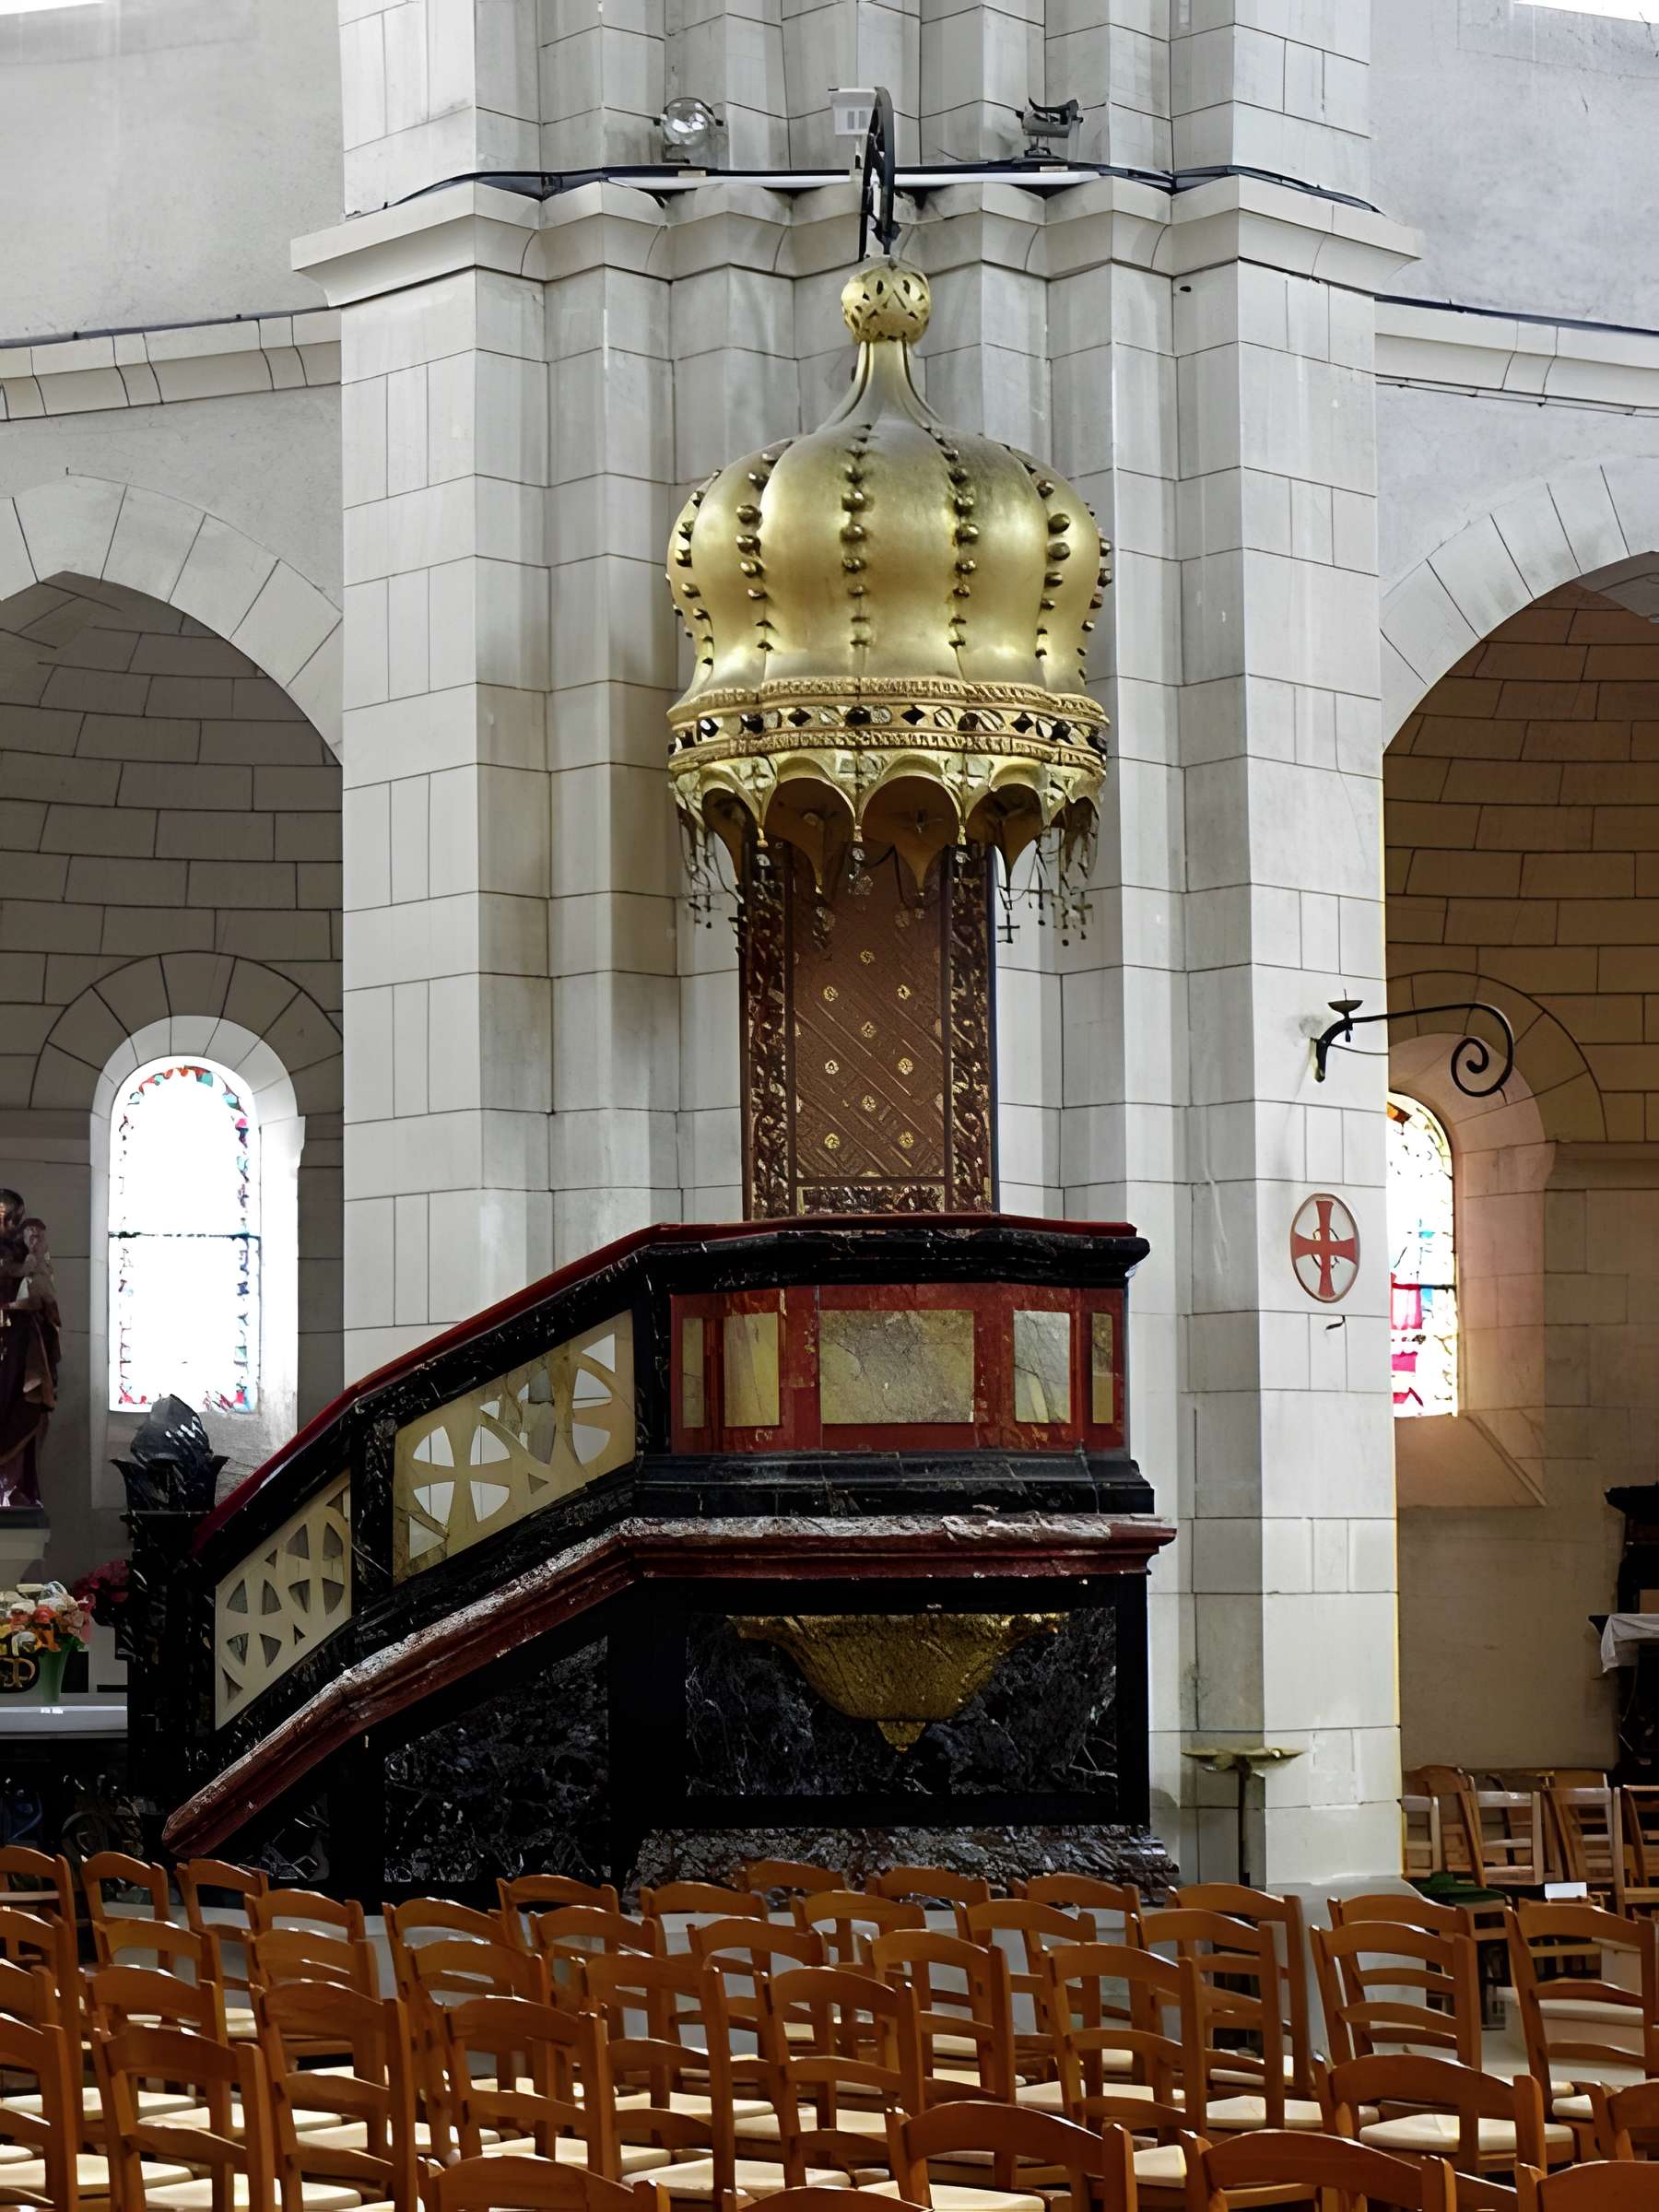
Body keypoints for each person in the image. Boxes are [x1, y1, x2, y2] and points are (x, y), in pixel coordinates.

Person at [0, 1198, 57, 1512]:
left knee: (22, 1410)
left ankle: (13, 1490)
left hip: (18, 1348)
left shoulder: (27, 1257)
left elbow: (42, 1301)